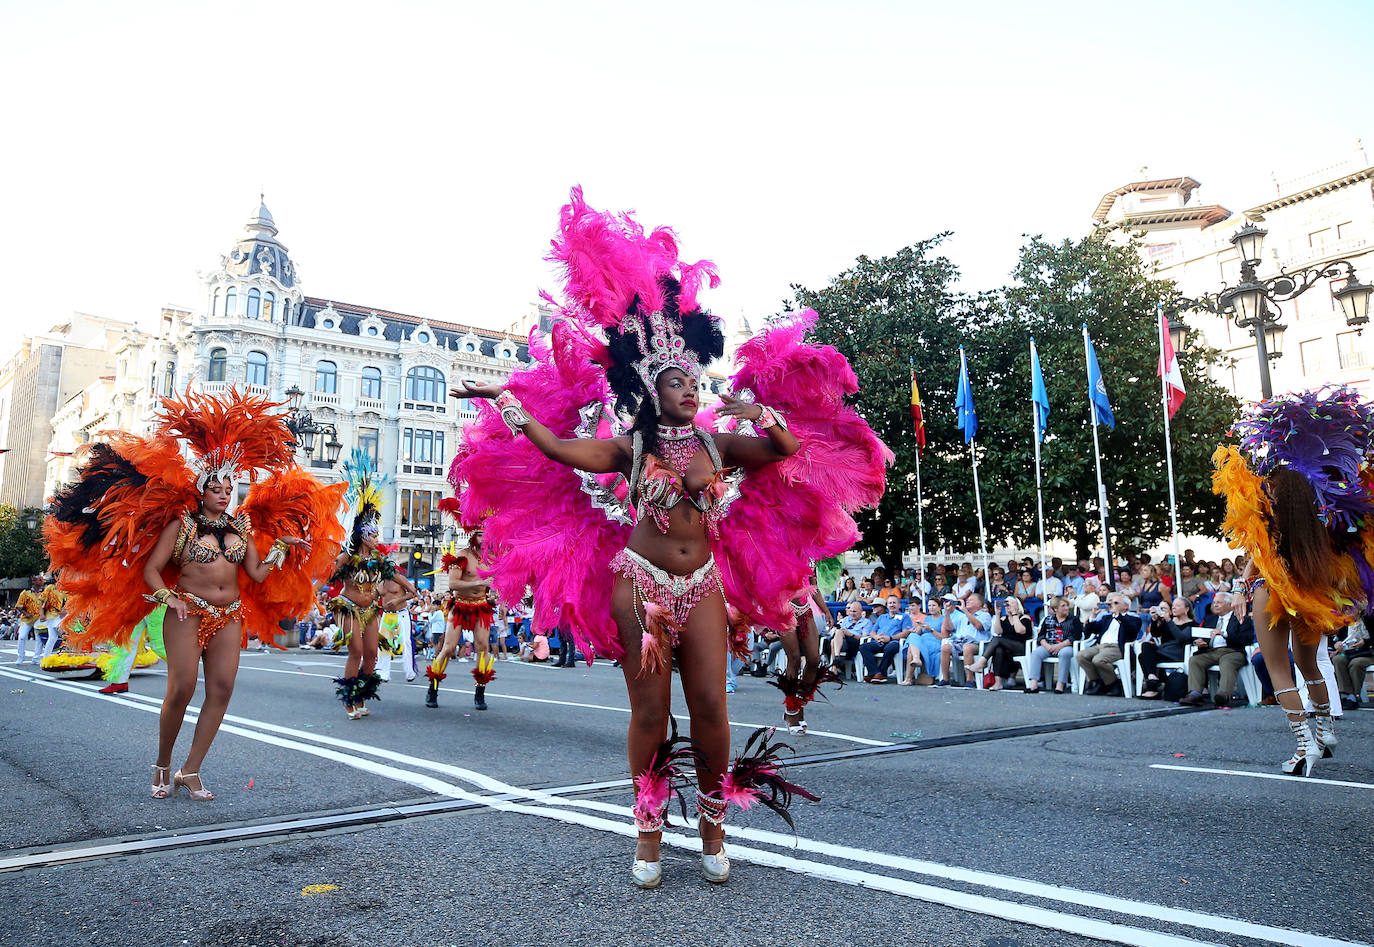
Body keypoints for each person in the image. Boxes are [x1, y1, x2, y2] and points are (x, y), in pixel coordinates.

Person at [448, 191, 885, 887]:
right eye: (677, 381)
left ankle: (713, 823)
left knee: (711, 706)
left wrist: (757, 406)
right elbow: (559, 449)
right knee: (649, 709)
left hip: (703, 581)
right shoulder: (628, 445)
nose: (691, 388)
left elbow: (784, 445)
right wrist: (505, 402)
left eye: (694, 379)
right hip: (642, 585)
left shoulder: (718, 441)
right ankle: (648, 830)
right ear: (653, 388)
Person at [43, 388, 344, 800]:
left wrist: (280, 546)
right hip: (188, 611)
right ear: (202, 490)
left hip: (230, 614)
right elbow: (151, 569)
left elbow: (254, 573)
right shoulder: (181, 526)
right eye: (216, 487)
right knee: (181, 688)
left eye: (229, 487)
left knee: (221, 690)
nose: (224, 493)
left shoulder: (240, 529)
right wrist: (170, 598)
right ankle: (163, 763)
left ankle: (191, 770)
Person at [1213, 387, 1374, 774]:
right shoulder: (1321, 524)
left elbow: (1257, 552)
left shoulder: (1266, 512)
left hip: (1272, 592)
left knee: (1277, 666)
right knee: (1309, 665)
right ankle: (1325, 733)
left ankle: (1304, 746)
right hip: (1311, 591)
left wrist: (1240, 588)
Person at [328, 454, 416, 719]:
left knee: (371, 655)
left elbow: (393, 572)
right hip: (347, 607)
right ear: (361, 535)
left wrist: (410, 587)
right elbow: (328, 572)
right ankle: (348, 701)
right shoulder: (348, 556)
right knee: (355, 651)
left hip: (371, 610)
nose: (376, 538)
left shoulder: (378, 559)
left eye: (377, 534)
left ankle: (362, 697)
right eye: (372, 534)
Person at [772, 580, 839, 733]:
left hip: (805, 610)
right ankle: (791, 711)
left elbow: (813, 587)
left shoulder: (809, 556)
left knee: (814, 659)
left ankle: (799, 701)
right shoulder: (778, 554)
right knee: (794, 658)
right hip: (782, 610)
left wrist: (826, 610)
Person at [1177, 592, 1254, 708]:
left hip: (1233, 651)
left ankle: (1223, 695)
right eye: (1214, 602)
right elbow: (1203, 636)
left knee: (1227, 662)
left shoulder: (1241, 618)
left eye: (1219, 602)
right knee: (1195, 660)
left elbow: (1246, 639)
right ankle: (1195, 694)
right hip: (1211, 651)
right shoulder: (1210, 619)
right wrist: (1199, 642)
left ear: (1229, 604)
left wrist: (1224, 634)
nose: (1215, 605)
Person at [1075, 592, 1140, 696]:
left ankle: (1113, 684)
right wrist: (1093, 615)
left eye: (1116, 603)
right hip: (1100, 646)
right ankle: (1098, 682)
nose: (1112, 605)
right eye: (1111, 603)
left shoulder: (1133, 618)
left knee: (1098, 660)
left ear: (1126, 606)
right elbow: (1091, 631)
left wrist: (1119, 616)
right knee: (1081, 656)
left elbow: (1132, 631)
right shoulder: (1107, 618)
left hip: (1116, 647)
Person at [1137, 597, 1196, 700]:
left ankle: (1153, 688)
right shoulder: (1169, 621)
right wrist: (1154, 621)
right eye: (1173, 606)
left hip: (1177, 653)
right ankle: (1152, 678)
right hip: (1163, 651)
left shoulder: (1192, 624)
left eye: (1177, 606)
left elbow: (1181, 638)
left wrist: (1169, 621)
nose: (1174, 608)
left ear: (1186, 609)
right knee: (1145, 647)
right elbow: (1155, 634)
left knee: (1143, 657)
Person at [971, 596, 1033, 690]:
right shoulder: (1004, 619)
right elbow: (998, 631)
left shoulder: (1024, 617)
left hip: (1020, 647)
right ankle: (998, 682)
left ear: (1017, 605)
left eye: (1011, 603)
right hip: (1006, 648)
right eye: (1006, 603)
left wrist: (1015, 614)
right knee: (998, 649)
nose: (1008, 605)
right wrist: (997, 614)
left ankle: (981, 662)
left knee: (997, 640)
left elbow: (1020, 630)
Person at [1025, 596, 1081, 693]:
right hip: (1049, 645)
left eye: (1067, 605)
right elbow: (1041, 636)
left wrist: (1060, 645)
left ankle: (1060, 684)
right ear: (1055, 609)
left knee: (1065, 653)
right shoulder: (1048, 619)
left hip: (1065, 645)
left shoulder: (1074, 620)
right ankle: (1034, 683)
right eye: (1063, 606)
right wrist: (1047, 645)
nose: (1067, 608)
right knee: (1036, 653)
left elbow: (1077, 635)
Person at [936, 593, 991, 687]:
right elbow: (950, 628)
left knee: (967, 648)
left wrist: (965, 611)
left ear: (979, 604)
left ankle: (970, 680)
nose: (968, 601)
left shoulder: (985, 615)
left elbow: (979, 626)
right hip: (960, 642)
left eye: (971, 600)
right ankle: (945, 679)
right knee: (945, 648)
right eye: (968, 599)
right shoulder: (963, 616)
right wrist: (947, 613)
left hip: (977, 644)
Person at [859, 594, 911, 683]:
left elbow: (906, 633)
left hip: (894, 641)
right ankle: (875, 672)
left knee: (890, 648)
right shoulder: (882, 617)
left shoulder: (904, 617)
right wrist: (876, 637)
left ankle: (881, 673)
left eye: (894, 603)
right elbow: (872, 632)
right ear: (887, 605)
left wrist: (890, 638)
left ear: (899, 605)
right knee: (863, 647)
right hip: (879, 641)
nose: (892, 605)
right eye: (890, 603)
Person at [1333, 616, 1373, 710]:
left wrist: (1365, 642)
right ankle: (1347, 694)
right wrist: (1337, 644)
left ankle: (1354, 696)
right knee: (1337, 660)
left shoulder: (1370, 619)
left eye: (1350, 608)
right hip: (1349, 653)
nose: (1347, 611)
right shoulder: (1344, 622)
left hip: (1368, 653)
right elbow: (1335, 639)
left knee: (1356, 663)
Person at [830, 601, 873, 672]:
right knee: (835, 636)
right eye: (851, 611)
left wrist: (850, 634)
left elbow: (863, 638)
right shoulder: (846, 619)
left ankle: (835, 665)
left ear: (861, 612)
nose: (852, 614)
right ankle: (836, 660)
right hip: (843, 641)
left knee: (833, 642)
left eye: (855, 611)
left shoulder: (866, 622)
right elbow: (840, 632)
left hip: (855, 641)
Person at [13, 575, 43, 665]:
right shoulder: (25, 593)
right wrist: (26, 614)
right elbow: (18, 606)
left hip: (39, 619)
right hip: (26, 619)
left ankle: (36, 658)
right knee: (22, 637)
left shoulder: (45, 593)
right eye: (39, 579)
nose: (41, 581)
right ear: (34, 582)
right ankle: (20, 657)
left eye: (42, 579)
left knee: (39, 638)